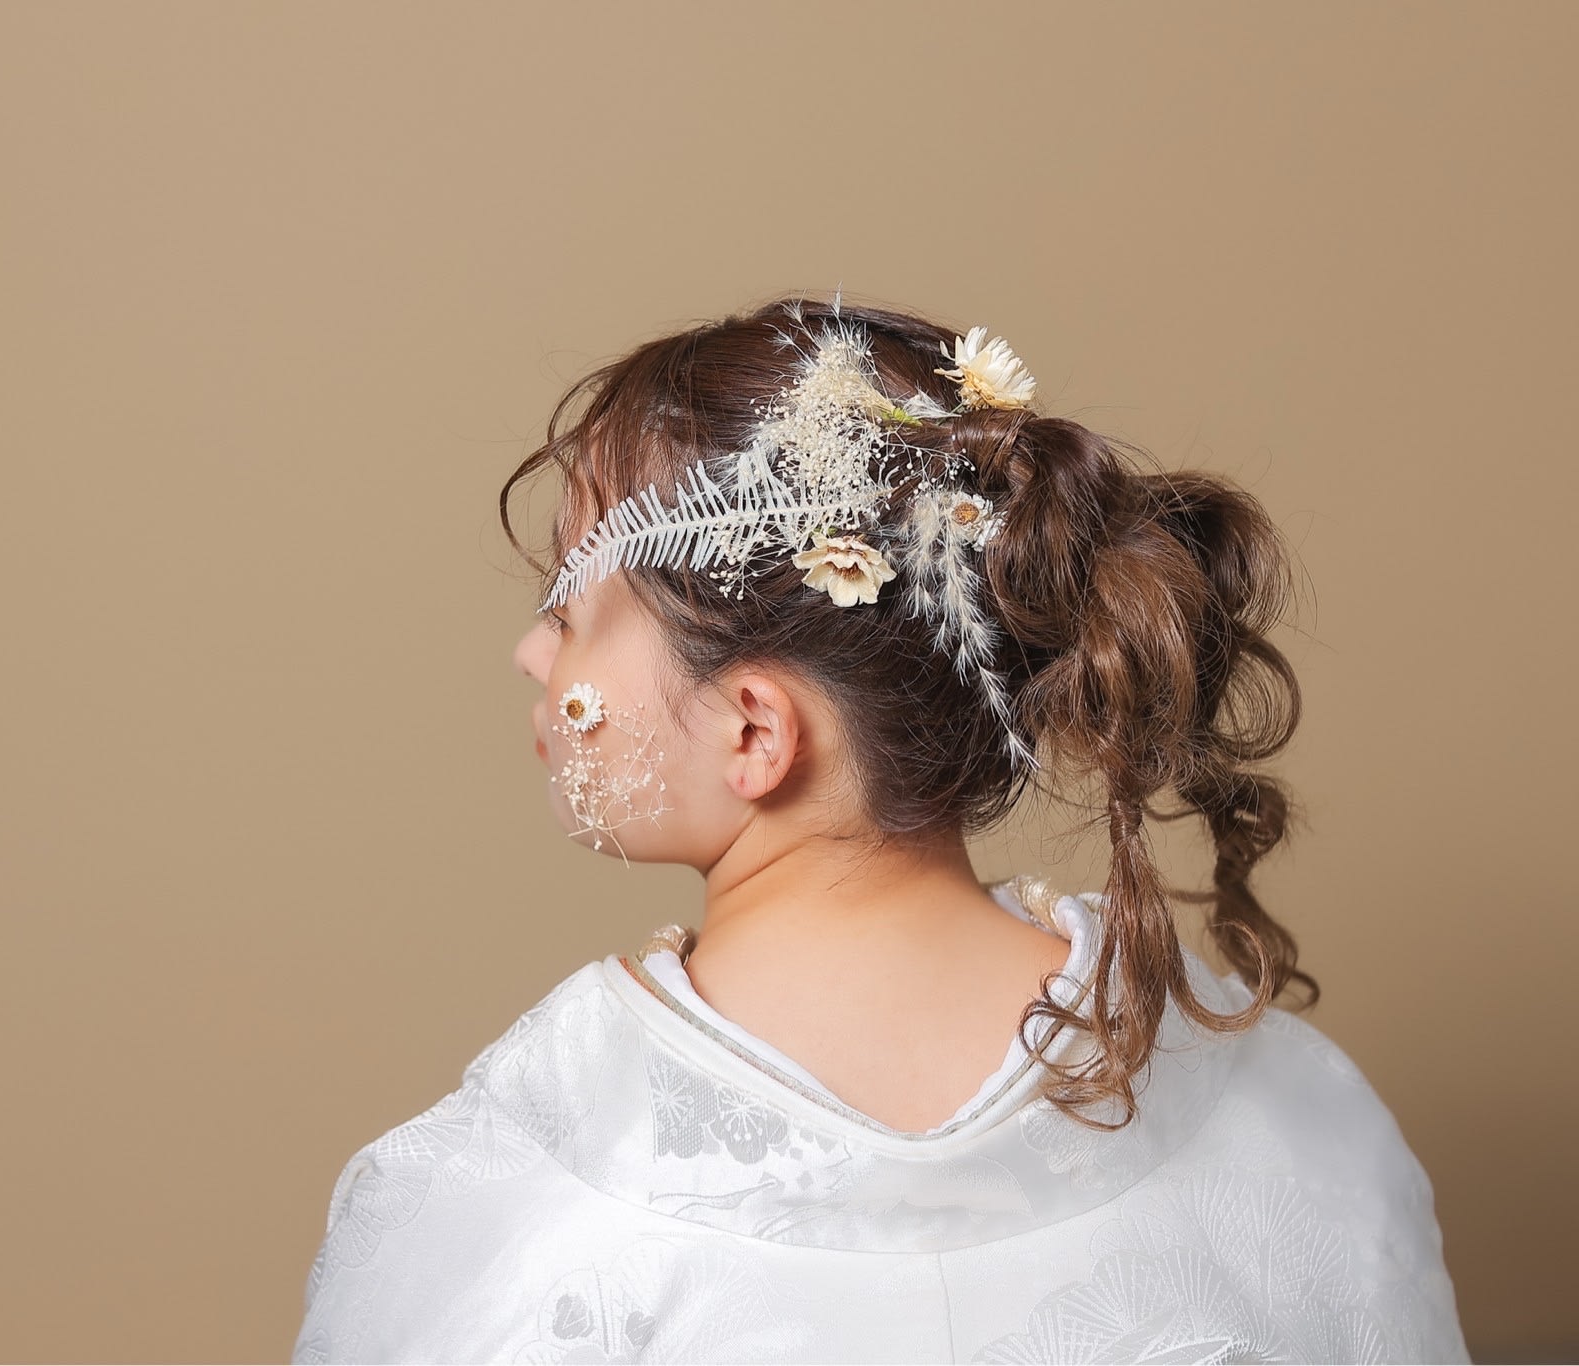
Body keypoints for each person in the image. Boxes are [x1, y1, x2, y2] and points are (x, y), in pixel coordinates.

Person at [291, 294, 1468, 1363]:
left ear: (754, 731)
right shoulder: (1298, 1129)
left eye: (568, 608)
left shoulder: (497, 1207)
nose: (529, 652)